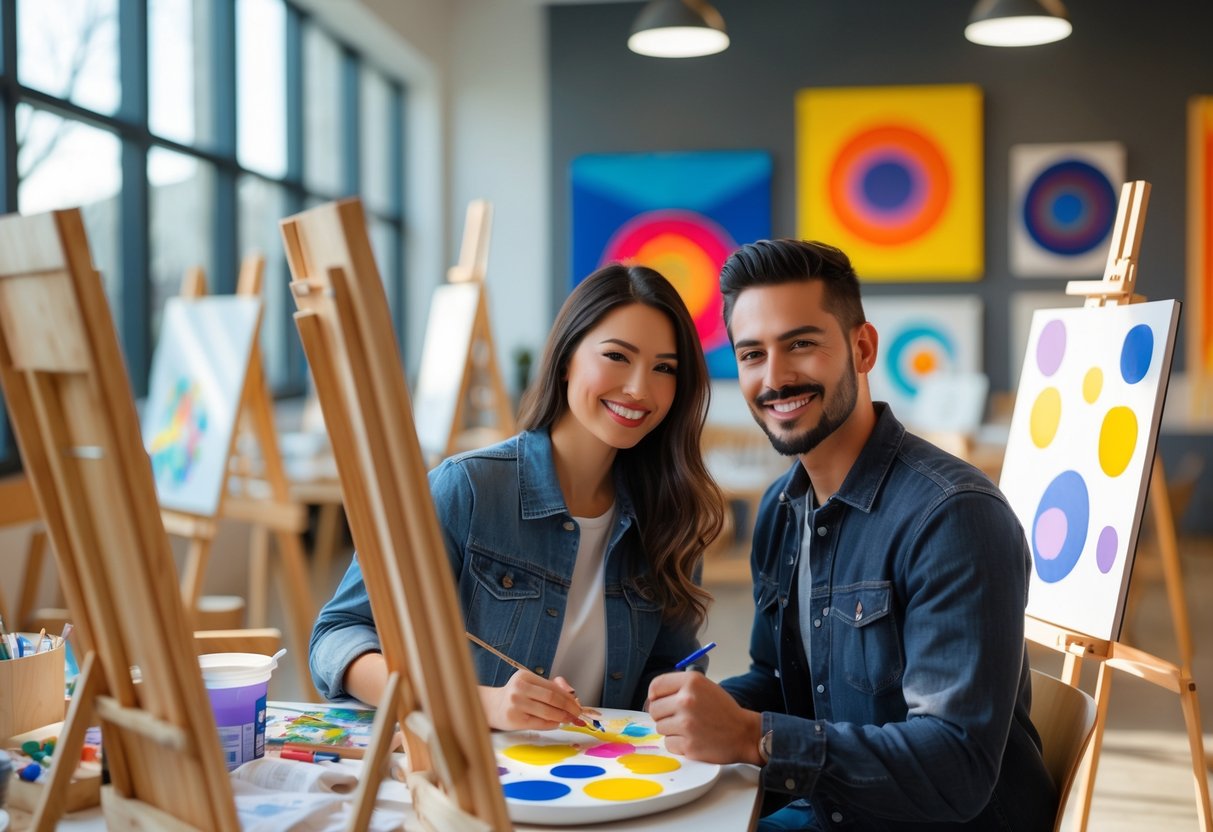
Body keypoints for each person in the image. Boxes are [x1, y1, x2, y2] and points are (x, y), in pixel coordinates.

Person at [647, 240, 1057, 830]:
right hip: (834, 810)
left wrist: (751, 736)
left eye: (801, 344)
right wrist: (691, 713)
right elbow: (779, 682)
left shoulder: (954, 517)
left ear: (862, 348)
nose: (775, 377)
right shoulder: (781, 508)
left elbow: (956, 768)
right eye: (753, 354)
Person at [310, 263, 724, 731]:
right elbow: (337, 638)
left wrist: (674, 696)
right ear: (567, 359)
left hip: (597, 770)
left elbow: (666, 669)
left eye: (664, 368)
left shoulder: (671, 515)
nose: (639, 388)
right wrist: (480, 703)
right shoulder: (468, 488)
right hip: (474, 766)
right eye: (616, 356)